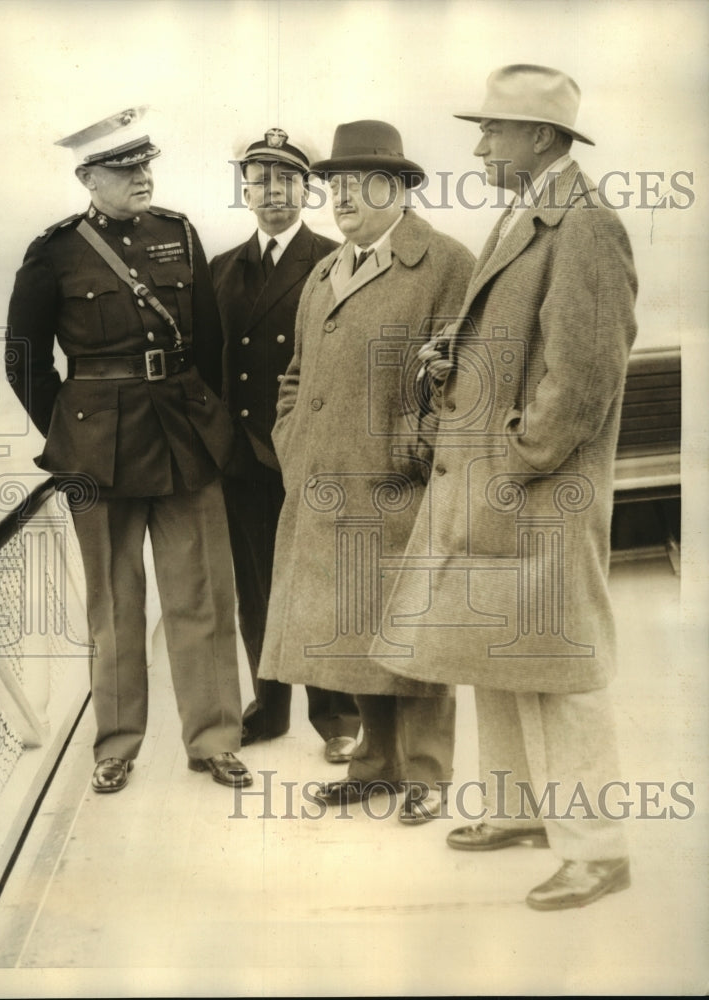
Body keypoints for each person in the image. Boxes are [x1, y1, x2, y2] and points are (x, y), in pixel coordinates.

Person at [374, 66, 638, 906]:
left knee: (557, 665)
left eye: (493, 130)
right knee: (494, 650)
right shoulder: (527, 213)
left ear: (541, 138)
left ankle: (598, 849)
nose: (479, 145)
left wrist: (520, 459)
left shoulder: (585, 226)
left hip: (536, 493)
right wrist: (455, 350)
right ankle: (522, 810)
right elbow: (520, 335)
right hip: (497, 490)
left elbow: (585, 375)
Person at [6, 106, 252, 794]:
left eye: (146, 164)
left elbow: (207, 343)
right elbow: (24, 361)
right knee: (114, 604)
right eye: (125, 168)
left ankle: (214, 741)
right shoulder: (52, 252)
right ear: (89, 178)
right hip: (98, 451)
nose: (143, 176)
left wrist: (208, 424)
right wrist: (72, 430)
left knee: (202, 594)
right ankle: (116, 746)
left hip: (183, 440)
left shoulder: (177, 234)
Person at [257, 120, 475, 823]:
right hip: (326, 481)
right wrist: (293, 443)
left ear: (401, 187)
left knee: (416, 631)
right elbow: (292, 379)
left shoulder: (446, 263)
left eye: (357, 184)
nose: (339, 198)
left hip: (402, 484)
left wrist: (418, 449)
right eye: (334, 185)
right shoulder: (325, 271)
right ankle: (376, 765)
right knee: (361, 626)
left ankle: (428, 775)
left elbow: (467, 380)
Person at [211, 129, 361, 763]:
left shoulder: (334, 260)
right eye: (260, 179)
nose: (272, 192)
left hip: (309, 451)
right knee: (255, 586)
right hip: (242, 457)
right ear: (244, 189)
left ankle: (337, 715)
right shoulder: (218, 270)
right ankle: (268, 708)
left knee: (319, 581)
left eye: (286, 180)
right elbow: (208, 366)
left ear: (308, 189)